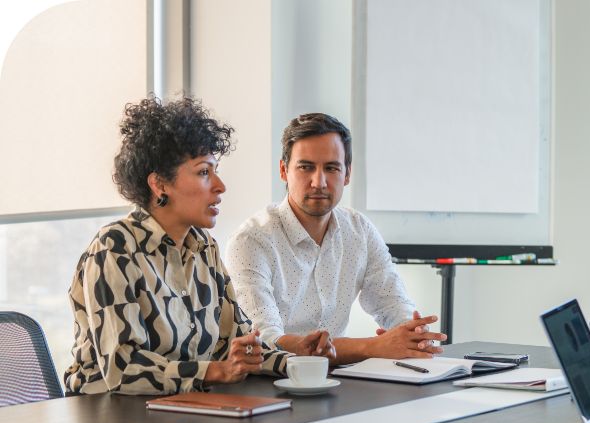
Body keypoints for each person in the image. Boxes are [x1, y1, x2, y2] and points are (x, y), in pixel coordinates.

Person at [65, 97, 290, 395]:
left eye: (215, 170)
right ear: (160, 184)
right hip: (110, 418)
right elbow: (123, 370)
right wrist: (214, 371)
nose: (220, 186)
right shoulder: (115, 249)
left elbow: (237, 343)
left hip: (183, 408)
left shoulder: (204, 248)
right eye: (203, 172)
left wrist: (300, 364)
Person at [226, 113, 446, 364]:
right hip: (269, 384)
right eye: (306, 167)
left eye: (331, 168)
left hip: (338, 381)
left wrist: (413, 335)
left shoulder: (359, 230)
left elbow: (392, 303)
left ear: (347, 174)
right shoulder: (251, 241)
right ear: (284, 170)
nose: (318, 182)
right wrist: (373, 346)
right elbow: (264, 341)